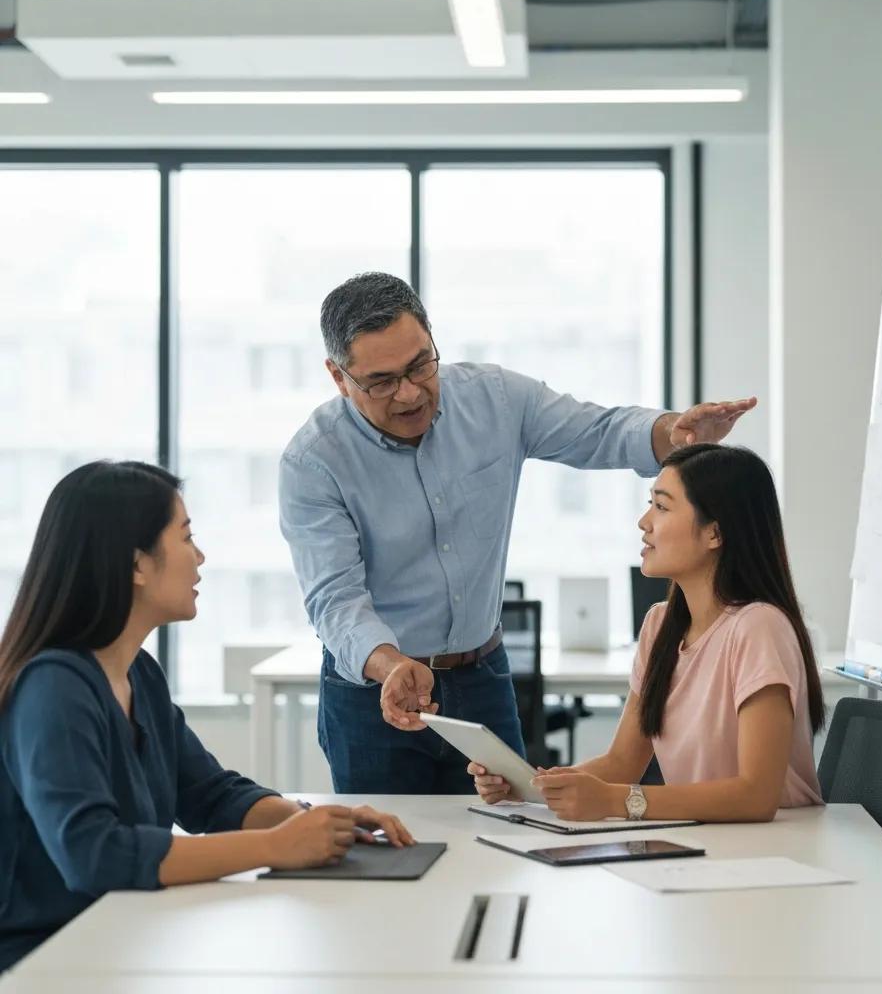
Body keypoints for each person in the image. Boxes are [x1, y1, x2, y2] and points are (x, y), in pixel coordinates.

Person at [279, 270, 756, 795]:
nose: (410, 393)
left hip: (482, 676)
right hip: (376, 693)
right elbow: (335, 599)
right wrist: (390, 664)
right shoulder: (315, 461)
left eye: (420, 365)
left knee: (508, 840)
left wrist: (671, 431)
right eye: (382, 382)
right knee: (390, 853)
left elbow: (594, 430)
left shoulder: (494, 399)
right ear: (338, 376)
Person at [0, 461, 413, 973]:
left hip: (120, 940)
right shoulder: (53, 688)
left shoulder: (139, 675)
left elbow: (211, 796)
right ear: (136, 564)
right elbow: (94, 856)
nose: (200, 558)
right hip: (44, 963)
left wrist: (317, 823)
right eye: (186, 537)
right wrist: (275, 847)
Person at [469, 443, 825, 822]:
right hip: (709, 842)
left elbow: (756, 796)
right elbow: (622, 763)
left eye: (662, 506)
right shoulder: (660, 625)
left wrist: (615, 802)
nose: (644, 521)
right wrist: (528, 786)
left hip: (781, 849)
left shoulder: (758, 627)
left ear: (714, 534)